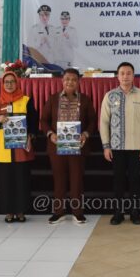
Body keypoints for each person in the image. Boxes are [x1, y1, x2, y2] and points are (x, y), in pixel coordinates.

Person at [100, 62, 140, 225]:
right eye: (122, 73)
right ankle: (118, 212)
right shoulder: (110, 96)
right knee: (118, 181)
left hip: (136, 147)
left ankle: (135, 212)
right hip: (116, 148)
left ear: (133, 75)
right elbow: (104, 122)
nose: (125, 76)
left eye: (128, 73)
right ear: (117, 76)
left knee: (135, 180)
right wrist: (106, 146)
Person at [41, 68, 97, 224]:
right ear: (62, 81)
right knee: (59, 179)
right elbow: (44, 121)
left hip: (78, 146)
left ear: (78, 82)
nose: (70, 82)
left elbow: (92, 121)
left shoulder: (85, 100)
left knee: (76, 180)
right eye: (67, 79)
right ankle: (59, 212)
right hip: (57, 145)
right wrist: (51, 134)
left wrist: (85, 134)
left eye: (73, 79)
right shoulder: (53, 99)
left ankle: (77, 212)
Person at [0, 71, 39, 223]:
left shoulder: (26, 100)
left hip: (21, 147)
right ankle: (9, 212)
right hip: (3, 149)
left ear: (17, 83)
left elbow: (33, 122)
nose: (9, 84)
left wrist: (31, 136)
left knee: (21, 181)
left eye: (12, 81)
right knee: (5, 182)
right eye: (6, 82)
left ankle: (21, 211)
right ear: (2, 84)